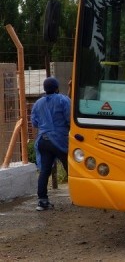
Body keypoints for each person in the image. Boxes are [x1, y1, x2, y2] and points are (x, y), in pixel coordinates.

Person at [31, 77, 71, 211]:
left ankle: (42, 201)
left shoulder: (38, 103)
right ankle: (79, 196)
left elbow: (35, 123)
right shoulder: (63, 100)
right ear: (57, 87)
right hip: (60, 139)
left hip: (43, 140)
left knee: (44, 171)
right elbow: (69, 118)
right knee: (70, 169)